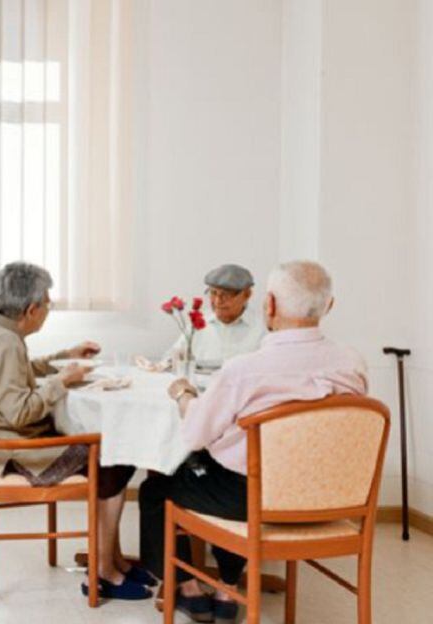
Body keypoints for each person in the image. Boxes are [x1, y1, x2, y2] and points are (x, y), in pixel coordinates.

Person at [139, 260, 367, 624]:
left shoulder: (246, 368)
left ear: (268, 304)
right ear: (329, 306)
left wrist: (184, 394)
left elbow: (196, 434)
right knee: (238, 470)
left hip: (254, 499)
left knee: (159, 488)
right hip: (330, 500)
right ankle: (231, 587)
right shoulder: (352, 364)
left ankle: (188, 590)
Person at [0, 262, 149, 601]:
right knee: (115, 460)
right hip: (13, 451)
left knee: (111, 456)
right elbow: (20, 413)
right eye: (47, 303)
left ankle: (112, 558)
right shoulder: (5, 344)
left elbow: (21, 372)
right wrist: (61, 382)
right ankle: (104, 572)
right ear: (32, 310)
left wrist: (64, 357)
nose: (48, 309)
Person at [166, 263, 266, 365]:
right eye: (213, 293)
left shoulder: (262, 329)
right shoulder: (197, 325)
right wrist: (173, 359)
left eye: (226, 295)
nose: (218, 301)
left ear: (247, 294)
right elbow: (170, 357)